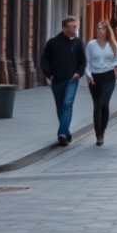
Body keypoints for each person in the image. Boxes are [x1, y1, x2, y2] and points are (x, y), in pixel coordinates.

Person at [40, 16, 86, 147]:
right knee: (60, 107)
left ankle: (61, 133)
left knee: (67, 105)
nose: (75, 28)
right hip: (57, 80)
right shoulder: (53, 43)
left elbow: (82, 61)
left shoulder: (77, 42)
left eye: (75, 26)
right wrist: (49, 75)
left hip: (72, 79)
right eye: (72, 26)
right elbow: (44, 60)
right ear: (64, 28)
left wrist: (79, 73)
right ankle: (66, 132)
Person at [85, 20, 117, 146]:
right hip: (94, 77)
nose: (99, 31)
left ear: (107, 30)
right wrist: (89, 76)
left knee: (104, 103)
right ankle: (98, 135)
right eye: (98, 28)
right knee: (97, 105)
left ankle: (103, 131)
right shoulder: (91, 44)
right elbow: (87, 62)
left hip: (108, 76)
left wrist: (114, 67)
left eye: (102, 28)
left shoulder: (113, 45)